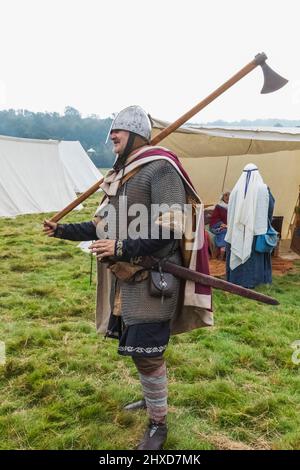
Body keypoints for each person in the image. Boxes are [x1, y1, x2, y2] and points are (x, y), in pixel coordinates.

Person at [43, 105, 212, 450]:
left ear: (136, 133)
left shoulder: (162, 170)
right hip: (127, 280)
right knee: (140, 351)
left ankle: (158, 423)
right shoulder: (123, 175)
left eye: (118, 131)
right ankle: (152, 401)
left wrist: (119, 246)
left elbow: (169, 231)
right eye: (111, 131)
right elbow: (99, 226)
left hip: (153, 280)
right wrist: (61, 230)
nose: (111, 137)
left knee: (148, 353)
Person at [225, 163, 275, 288]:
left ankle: (236, 280)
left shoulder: (235, 191)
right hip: (256, 233)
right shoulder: (263, 189)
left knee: (239, 253)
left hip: (236, 231)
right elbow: (270, 207)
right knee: (253, 260)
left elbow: (230, 213)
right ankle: (255, 282)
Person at [209, 191, 230, 259]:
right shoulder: (219, 206)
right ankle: (222, 252)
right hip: (216, 226)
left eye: (229, 195)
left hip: (228, 226)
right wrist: (221, 224)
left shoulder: (233, 206)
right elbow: (214, 218)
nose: (227, 197)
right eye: (225, 195)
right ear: (222, 197)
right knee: (225, 231)